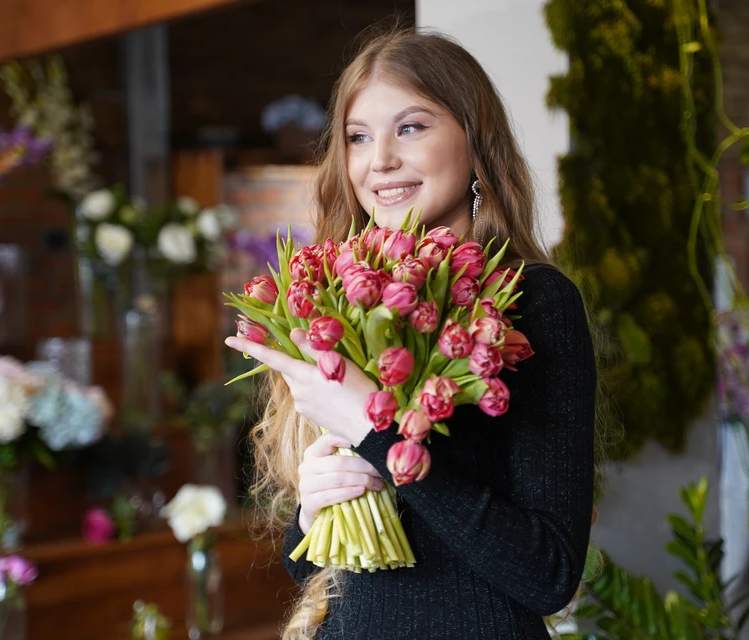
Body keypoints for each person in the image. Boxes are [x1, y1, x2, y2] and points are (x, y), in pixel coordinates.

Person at [224, 28, 596, 640]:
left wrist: (374, 434)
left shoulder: (537, 300)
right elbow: (312, 567)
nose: (381, 160)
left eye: (412, 127)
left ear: (477, 142)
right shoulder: (339, 305)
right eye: (359, 137)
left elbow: (549, 573)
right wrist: (314, 507)